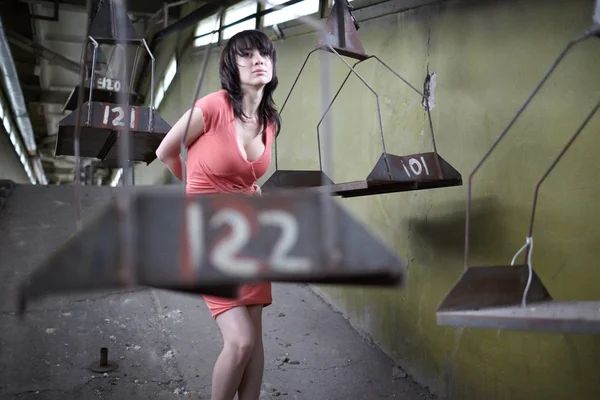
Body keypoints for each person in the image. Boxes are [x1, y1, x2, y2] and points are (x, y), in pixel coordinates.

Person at [155, 29, 281, 400]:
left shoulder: (269, 123)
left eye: (264, 54)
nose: (258, 60)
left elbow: (247, 178)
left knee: (255, 337)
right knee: (239, 341)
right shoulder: (212, 106)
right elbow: (166, 151)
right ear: (231, 64)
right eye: (247, 55)